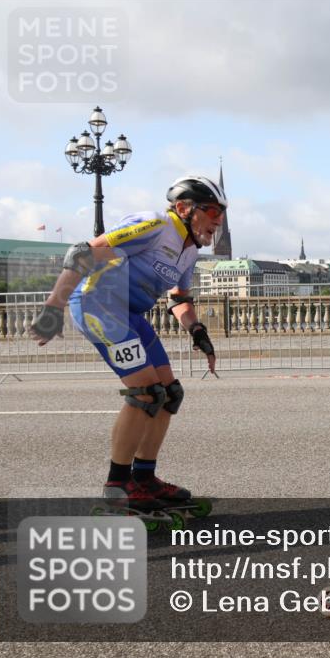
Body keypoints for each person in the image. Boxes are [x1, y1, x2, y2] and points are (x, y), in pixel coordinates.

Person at [29, 176, 224, 514]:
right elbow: (83, 252)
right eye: (211, 211)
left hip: (130, 314)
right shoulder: (154, 224)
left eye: (221, 213)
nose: (217, 221)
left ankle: (144, 478)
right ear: (183, 208)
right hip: (99, 306)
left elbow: (179, 299)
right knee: (146, 392)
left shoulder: (189, 252)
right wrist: (53, 308)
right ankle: (117, 486)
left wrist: (197, 331)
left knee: (170, 393)